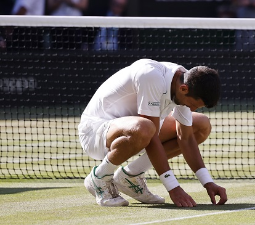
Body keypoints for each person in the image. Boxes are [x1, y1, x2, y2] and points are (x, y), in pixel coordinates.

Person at [78, 58, 228, 207]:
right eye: (193, 105)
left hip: (134, 129)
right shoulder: (151, 76)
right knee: (146, 128)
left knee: (200, 125)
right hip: (95, 133)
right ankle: (100, 176)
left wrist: (208, 182)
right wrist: (173, 187)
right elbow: (152, 137)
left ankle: (130, 176)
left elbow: (187, 139)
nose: (192, 109)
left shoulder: (183, 80)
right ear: (183, 89)